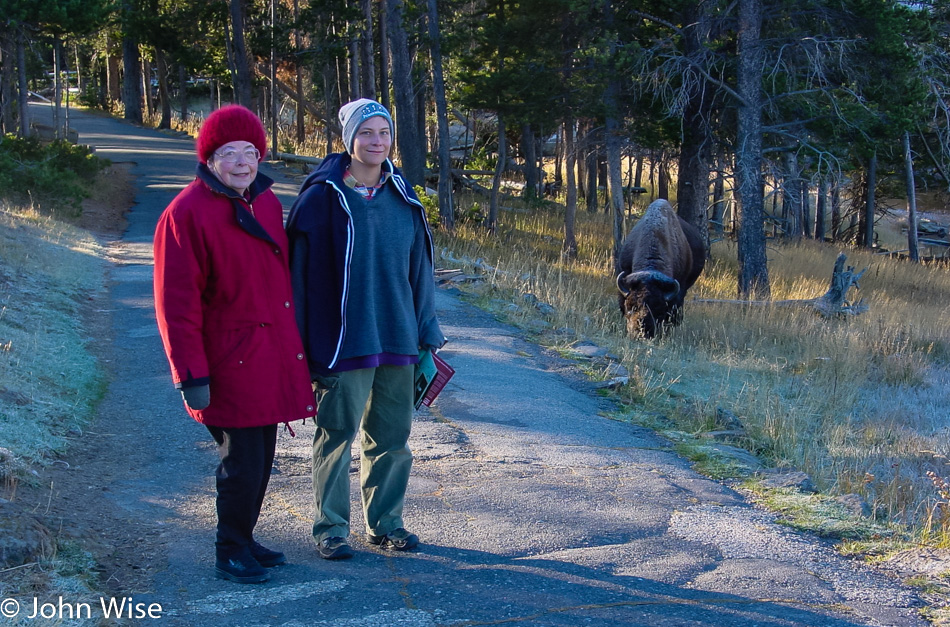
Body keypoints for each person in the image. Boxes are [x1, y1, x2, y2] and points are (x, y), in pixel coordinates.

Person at [153, 105, 316, 583]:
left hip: (269, 356)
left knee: (261, 457)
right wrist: (190, 376)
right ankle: (229, 551)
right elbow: (175, 305)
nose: (243, 162)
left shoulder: (264, 202)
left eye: (251, 151)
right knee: (239, 462)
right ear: (209, 158)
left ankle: (243, 537)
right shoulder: (185, 214)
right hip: (226, 362)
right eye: (230, 153)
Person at [286, 98, 445, 560]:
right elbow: (297, 281)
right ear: (348, 139)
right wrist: (301, 350)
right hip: (342, 342)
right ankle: (330, 528)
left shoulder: (404, 197)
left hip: (398, 338)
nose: (377, 142)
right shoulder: (320, 199)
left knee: (392, 439)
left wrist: (427, 338)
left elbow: (421, 272)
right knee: (335, 437)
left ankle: (386, 523)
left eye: (384, 132)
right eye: (367, 133)